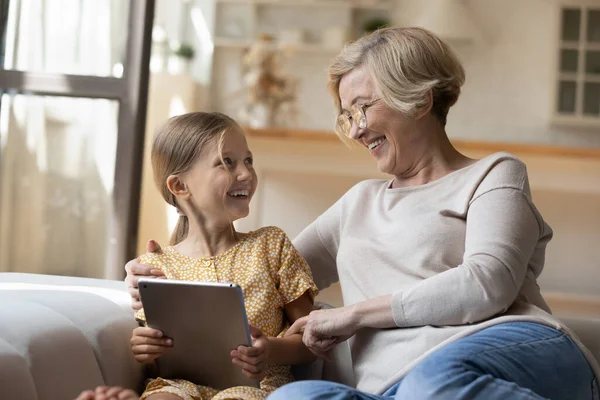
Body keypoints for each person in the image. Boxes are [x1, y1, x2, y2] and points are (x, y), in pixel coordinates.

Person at [125, 28, 600, 400]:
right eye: (346, 115)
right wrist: (159, 276)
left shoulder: (495, 175)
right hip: (391, 389)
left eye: (362, 107)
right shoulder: (360, 202)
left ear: (419, 98)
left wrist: (354, 316)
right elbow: (254, 275)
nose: (355, 130)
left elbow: (486, 284)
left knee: (433, 384)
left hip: (508, 347)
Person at [79, 112, 318, 400]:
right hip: (179, 385)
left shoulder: (271, 245)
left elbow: (312, 338)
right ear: (180, 187)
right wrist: (147, 350)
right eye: (226, 162)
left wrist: (270, 349)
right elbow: (160, 361)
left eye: (248, 160)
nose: (246, 173)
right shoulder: (157, 267)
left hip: (255, 388)